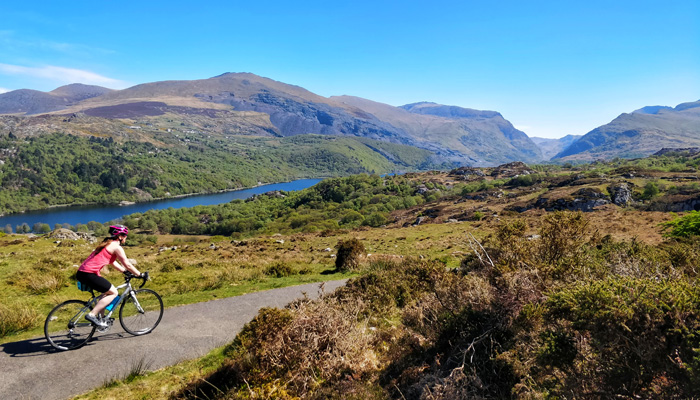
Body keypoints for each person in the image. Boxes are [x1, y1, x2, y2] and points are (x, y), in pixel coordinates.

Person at [76, 224, 142, 329]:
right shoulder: (116, 247)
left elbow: (112, 262)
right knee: (114, 292)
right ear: (120, 236)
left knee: (105, 292)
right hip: (88, 274)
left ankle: (101, 320)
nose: (126, 237)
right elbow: (127, 264)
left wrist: (124, 271)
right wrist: (140, 274)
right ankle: (92, 315)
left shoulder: (108, 244)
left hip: (83, 273)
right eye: (125, 235)